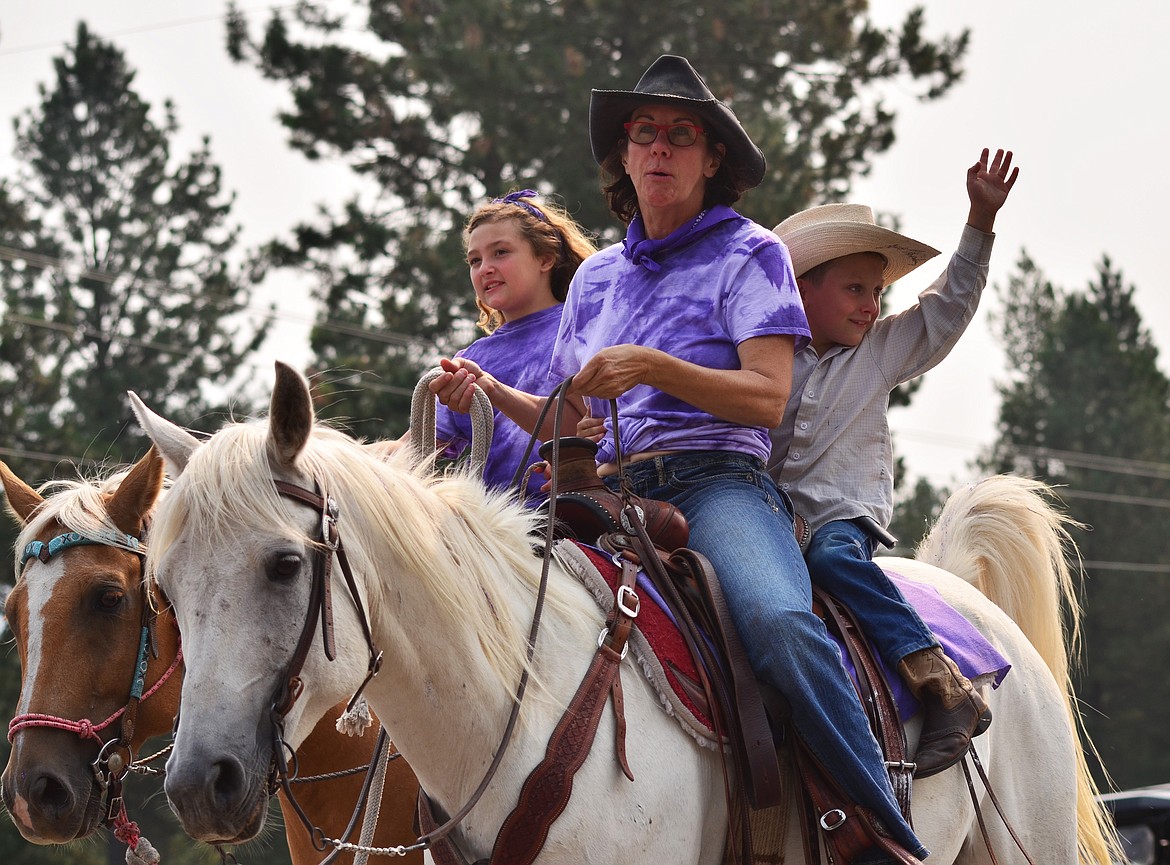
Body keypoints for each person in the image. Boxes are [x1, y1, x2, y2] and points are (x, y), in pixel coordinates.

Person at [430, 54, 929, 861]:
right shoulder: (594, 279)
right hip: (605, 488)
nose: (660, 148)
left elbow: (767, 396)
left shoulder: (751, 252)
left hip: (717, 485)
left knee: (779, 623)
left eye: (681, 134)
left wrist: (654, 368)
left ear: (711, 159)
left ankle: (879, 833)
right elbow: (570, 412)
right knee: (473, 612)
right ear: (625, 157)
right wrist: (485, 390)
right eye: (644, 133)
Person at [768, 149, 1019, 777]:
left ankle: (939, 680)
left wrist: (980, 224)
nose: (870, 306)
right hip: (766, 516)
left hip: (840, 516)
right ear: (803, 288)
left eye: (877, 292)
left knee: (831, 559)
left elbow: (945, 310)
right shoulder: (763, 356)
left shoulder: (880, 350)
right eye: (856, 289)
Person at [402, 189, 595, 501]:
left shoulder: (585, 327)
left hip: (571, 515)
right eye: (474, 260)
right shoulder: (472, 358)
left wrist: (494, 391)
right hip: (495, 531)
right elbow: (413, 449)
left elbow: (588, 434)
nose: (484, 268)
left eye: (500, 252)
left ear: (545, 258)